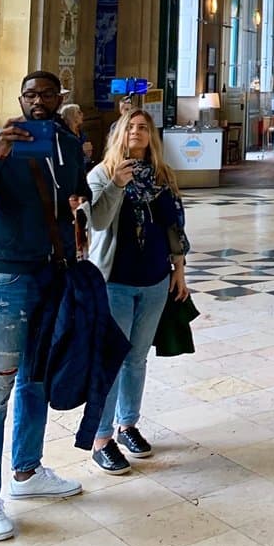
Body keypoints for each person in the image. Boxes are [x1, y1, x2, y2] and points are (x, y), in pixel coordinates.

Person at [0, 71, 86, 541]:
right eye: (30, 94)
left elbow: (76, 193)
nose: (38, 101)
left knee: (36, 378)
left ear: (59, 98)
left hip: (53, 272)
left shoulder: (67, 144)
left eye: (47, 94)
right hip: (6, 276)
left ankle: (26, 471)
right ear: (20, 99)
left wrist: (80, 203)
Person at [85, 110, 189, 474]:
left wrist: (179, 269)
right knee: (111, 359)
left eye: (143, 127)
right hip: (115, 280)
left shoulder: (162, 175)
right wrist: (116, 184)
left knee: (137, 358)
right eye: (130, 127)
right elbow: (98, 221)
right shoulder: (101, 174)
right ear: (119, 134)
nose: (137, 132)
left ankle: (127, 424)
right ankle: (101, 438)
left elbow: (174, 225)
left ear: (151, 136)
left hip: (155, 278)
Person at [60, 102, 95, 171]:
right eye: (79, 113)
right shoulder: (63, 135)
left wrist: (88, 155)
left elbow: (86, 158)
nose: (82, 114)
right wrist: (81, 150)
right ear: (71, 116)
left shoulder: (82, 134)